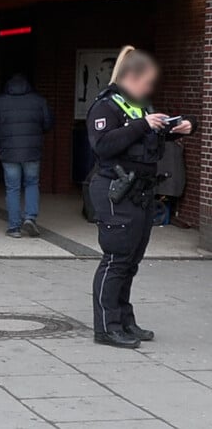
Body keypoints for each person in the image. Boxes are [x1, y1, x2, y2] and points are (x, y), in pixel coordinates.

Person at [86, 47, 193, 349]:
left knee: (130, 262)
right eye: (146, 83)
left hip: (141, 192)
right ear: (130, 77)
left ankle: (124, 320)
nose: (149, 89)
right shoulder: (105, 107)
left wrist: (182, 127)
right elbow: (104, 145)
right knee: (116, 260)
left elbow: (147, 138)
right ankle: (106, 327)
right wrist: (142, 125)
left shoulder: (140, 106)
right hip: (115, 190)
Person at [0, 74, 52, 238]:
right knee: (32, 183)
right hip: (31, 152)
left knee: (12, 188)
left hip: (8, 152)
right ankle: (30, 218)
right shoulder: (39, 101)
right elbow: (48, 123)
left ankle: (14, 227)